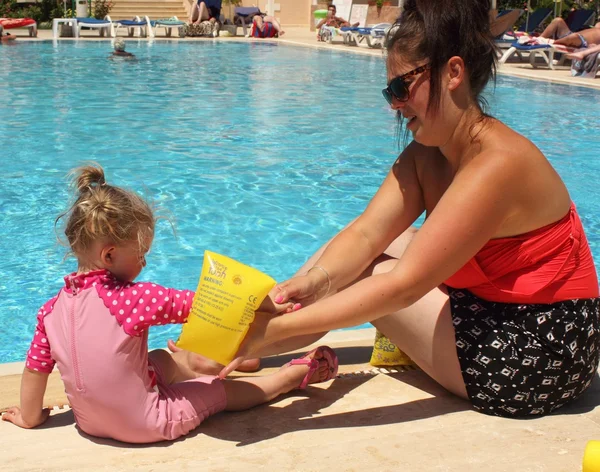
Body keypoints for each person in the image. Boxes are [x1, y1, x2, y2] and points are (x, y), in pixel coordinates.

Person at [216, 0, 600, 419]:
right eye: (389, 91)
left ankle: (233, 348)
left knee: (376, 273)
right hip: (491, 311)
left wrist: (284, 324)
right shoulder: (427, 155)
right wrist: (309, 282)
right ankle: (235, 346)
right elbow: (366, 233)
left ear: (453, 73)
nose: (394, 105)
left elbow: (404, 287)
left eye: (401, 88)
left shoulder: (497, 163)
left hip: (539, 351)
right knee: (363, 250)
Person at [0, 163, 338, 443]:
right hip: (147, 423)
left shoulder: (49, 311)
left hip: (89, 423)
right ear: (110, 255)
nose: (144, 264)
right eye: (141, 255)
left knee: (160, 358)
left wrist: (30, 418)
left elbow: (35, 372)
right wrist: (269, 307)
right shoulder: (133, 298)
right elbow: (214, 305)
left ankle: (208, 361)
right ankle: (287, 379)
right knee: (216, 392)